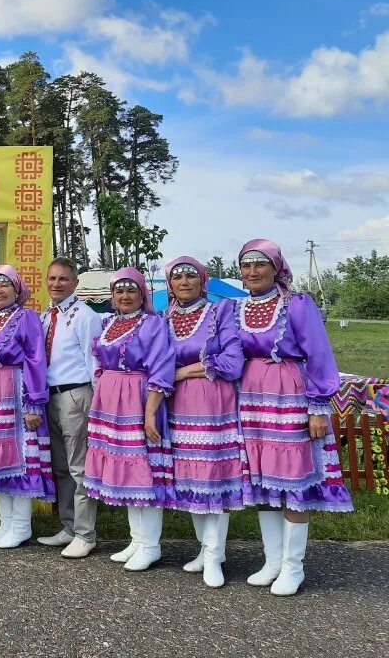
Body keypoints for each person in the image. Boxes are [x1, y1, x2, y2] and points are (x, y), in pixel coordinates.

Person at [236, 239, 353, 596]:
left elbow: (318, 353)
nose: (253, 272)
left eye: (260, 264)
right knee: (265, 482)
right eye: (246, 265)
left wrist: (317, 407)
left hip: (290, 394)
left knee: (293, 483)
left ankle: (293, 566)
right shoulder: (236, 308)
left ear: (276, 268)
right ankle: (272, 561)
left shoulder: (297, 305)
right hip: (252, 398)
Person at [85, 267, 175, 572]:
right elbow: (97, 360)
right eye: (119, 291)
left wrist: (150, 411)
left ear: (142, 295)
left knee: (141, 469)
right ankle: (136, 540)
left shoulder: (153, 324)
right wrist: (103, 382)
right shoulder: (107, 323)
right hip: (111, 403)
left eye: (131, 291)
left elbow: (162, 367)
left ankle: (151, 545)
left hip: (137, 399)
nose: (125, 296)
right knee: (121, 469)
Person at [164, 256, 245, 588]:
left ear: (203, 281)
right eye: (177, 277)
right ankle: (208, 549)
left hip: (211, 399)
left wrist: (184, 370)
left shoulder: (219, 311)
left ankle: (214, 555)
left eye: (190, 276)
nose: (184, 282)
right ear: (169, 284)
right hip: (177, 404)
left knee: (211, 475)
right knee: (190, 476)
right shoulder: (164, 317)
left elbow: (232, 360)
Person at [0, 265, 54, 549]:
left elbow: (35, 358)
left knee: (19, 457)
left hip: (14, 391)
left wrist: (33, 402)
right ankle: (5, 522)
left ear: (16, 290)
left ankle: (21, 526)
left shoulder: (26, 318)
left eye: (4, 285)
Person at [36, 258, 103, 559]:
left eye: (63, 279)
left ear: (75, 283)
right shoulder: (46, 317)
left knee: (79, 468)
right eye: (52, 278)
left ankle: (86, 534)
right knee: (60, 467)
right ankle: (69, 526)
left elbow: (95, 363)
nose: (57, 284)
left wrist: (97, 402)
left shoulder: (84, 316)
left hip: (76, 395)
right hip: (51, 397)